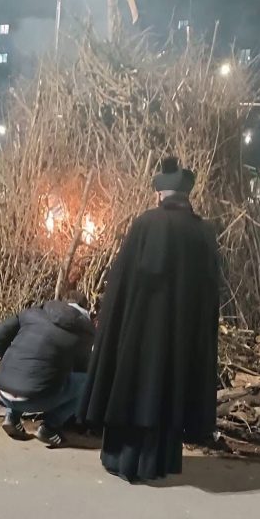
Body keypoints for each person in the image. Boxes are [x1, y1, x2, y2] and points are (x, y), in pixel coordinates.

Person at [81, 156, 220, 482]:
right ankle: (160, 463)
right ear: (186, 196)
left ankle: (123, 460)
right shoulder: (203, 232)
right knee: (168, 393)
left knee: (134, 390)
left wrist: (113, 331)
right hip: (180, 341)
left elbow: (120, 287)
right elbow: (209, 295)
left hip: (139, 338)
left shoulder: (145, 224)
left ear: (160, 195)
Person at [0, 291, 95, 447]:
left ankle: (11, 417)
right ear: (85, 310)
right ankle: (50, 428)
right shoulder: (84, 331)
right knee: (87, 382)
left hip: (3, 391)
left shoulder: (32, 313)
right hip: (37, 399)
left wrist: (8, 358)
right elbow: (83, 369)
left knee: (27, 372)